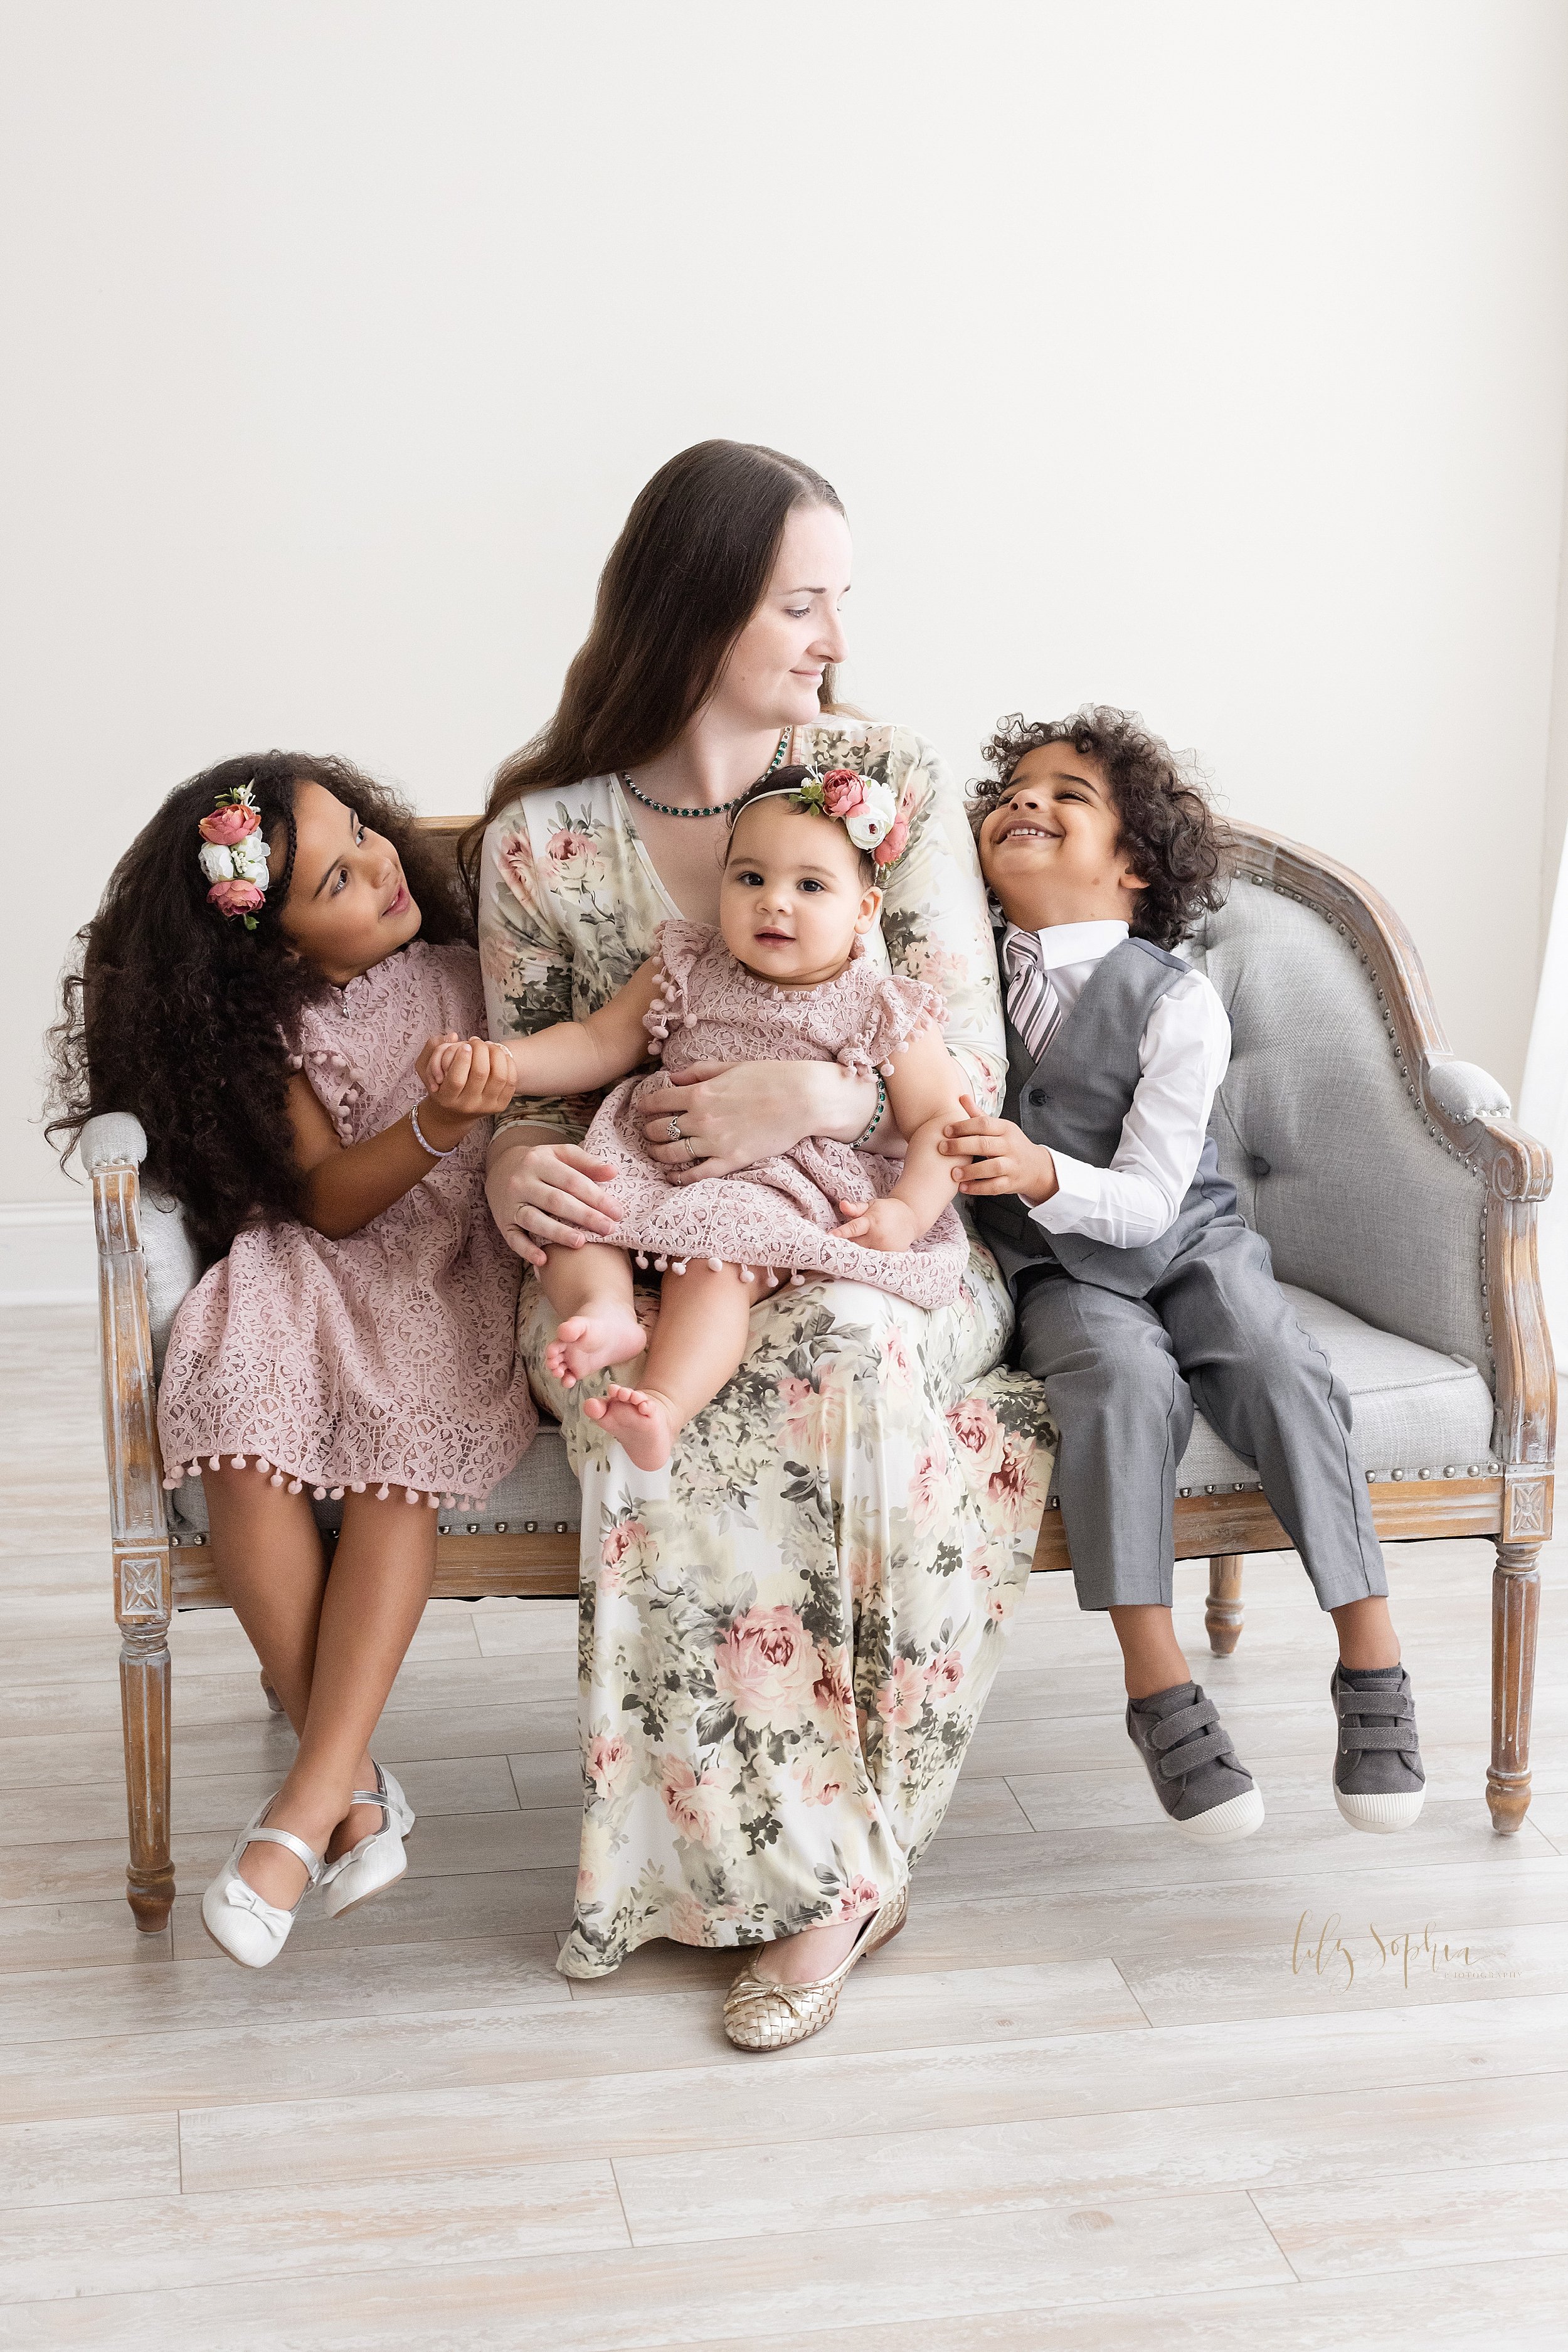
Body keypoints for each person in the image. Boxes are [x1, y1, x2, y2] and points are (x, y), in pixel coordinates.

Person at [477, 439, 1046, 2047]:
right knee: (652, 1394)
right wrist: (523, 1174)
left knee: (845, 1360)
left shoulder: (886, 782)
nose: (834, 642)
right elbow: (531, 1071)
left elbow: (966, 1082)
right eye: (803, 604)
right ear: (704, 602)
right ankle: (733, 1862)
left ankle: (835, 1879)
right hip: (634, 1253)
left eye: (838, 605)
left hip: (871, 1234)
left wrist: (801, 1087)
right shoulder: (542, 839)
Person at [50, 754, 535, 1967]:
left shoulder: (472, 971)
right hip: (329, 1250)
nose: (380, 862)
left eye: (366, 834)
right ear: (275, 949)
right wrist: (434, 1121)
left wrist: (477, 1118)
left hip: (451, 1255)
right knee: (228, 1378)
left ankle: (309, 1805)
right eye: (337, 873)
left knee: (394, 1432)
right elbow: (321, 1203)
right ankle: (353, 1785)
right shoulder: (274, 1029)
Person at [946, 705, 1425, 1842]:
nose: (1027, 801)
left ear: (1131, 868)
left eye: (1069, 795)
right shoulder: (954, 979)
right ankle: (1158, 1685)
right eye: (1012, 788)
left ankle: (1373, 1655)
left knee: (1271, 1358)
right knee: (1117, 1380)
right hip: (1062, 1268)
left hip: (1185, 1233)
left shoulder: (1176, 998)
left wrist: (1040, 1167)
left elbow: (1155, 1198)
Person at [469, 765, 968, 1471]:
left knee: (715, 1258)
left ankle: (666, 1403)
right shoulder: (687, 962)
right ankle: (605, 1310)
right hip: (655, 1155)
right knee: (578, 1206)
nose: (775, 904)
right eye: (751, 879)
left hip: (776, 1189)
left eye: (811, 885)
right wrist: (503, 1064)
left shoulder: (880, 1002)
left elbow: (942, 1125)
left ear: (864, 909)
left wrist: (909, 1215)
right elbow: (596, 1042)